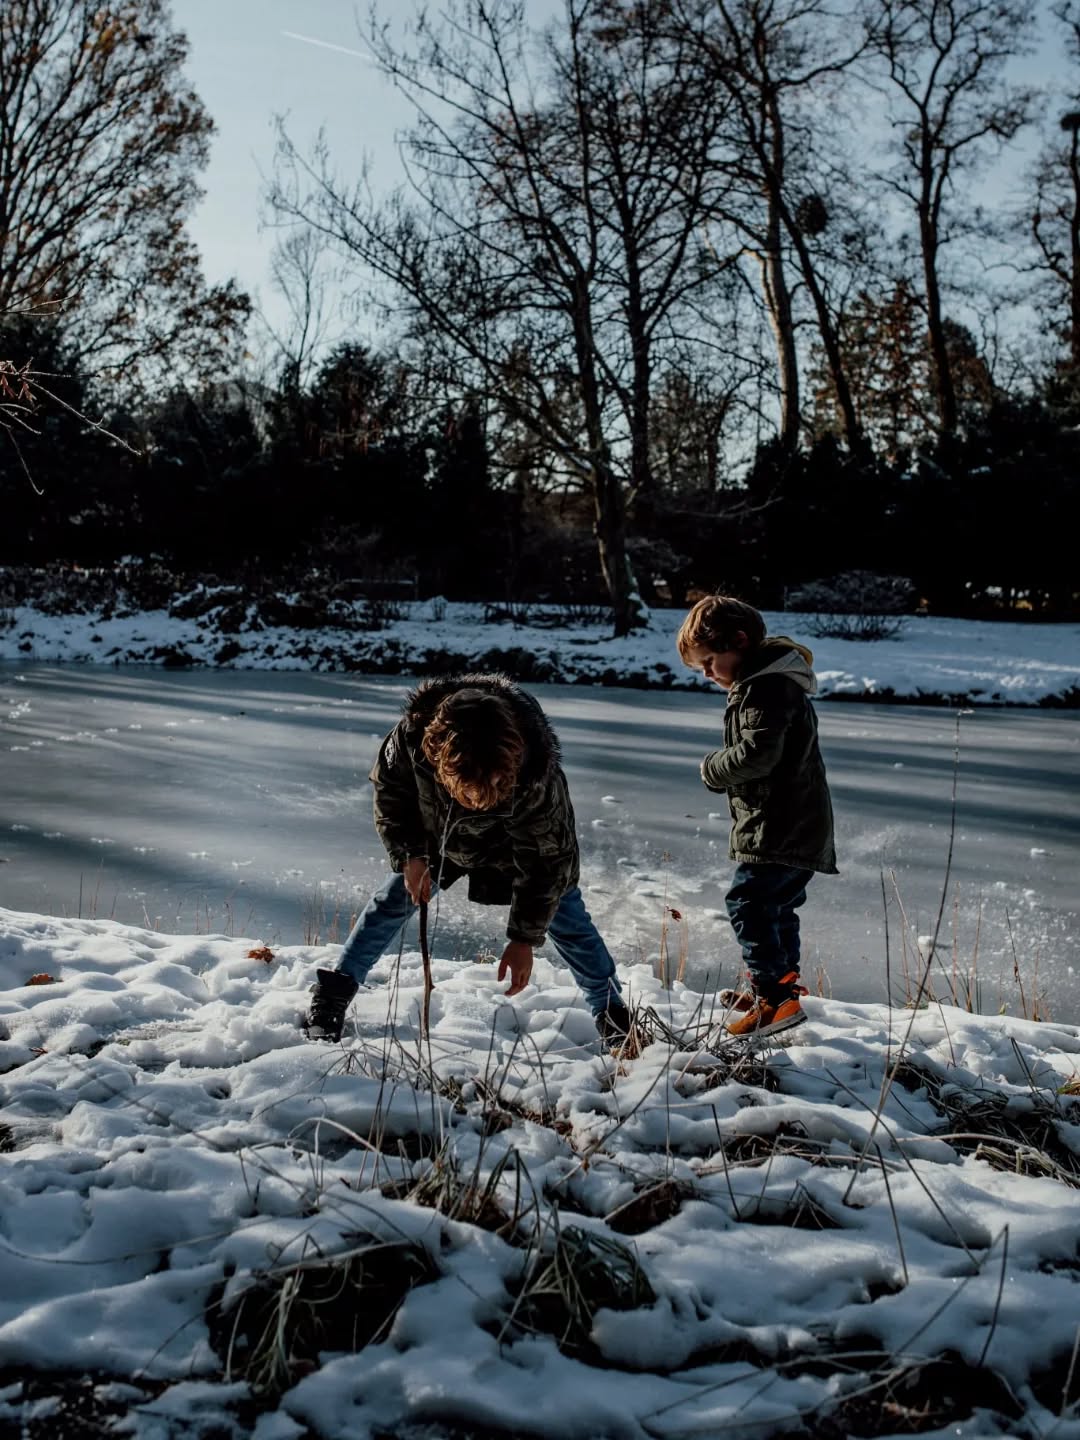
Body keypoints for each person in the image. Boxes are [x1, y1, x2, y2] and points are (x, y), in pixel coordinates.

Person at [304, 673, 630, 1047]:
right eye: (468, 792)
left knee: (567, 917)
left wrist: (523, 939)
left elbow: (546, 865)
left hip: (514, 846)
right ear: (438, 755)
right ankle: (332, 994)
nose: (478, 803)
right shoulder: (409, 740)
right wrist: (410, 855)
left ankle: (613, 1014)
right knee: (392, 902)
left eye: (490, 792)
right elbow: (391, 795)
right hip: (441, 838)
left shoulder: (537, 776)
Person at [676, 595, 837, 1037]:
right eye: (700, 668)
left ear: (740, 642)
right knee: (777, 908)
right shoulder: (764, 682)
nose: (708, 673)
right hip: (793, 822)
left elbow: (758, 754)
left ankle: (775, 1000)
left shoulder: (765, 687)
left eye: (710, 661)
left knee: (748, 902)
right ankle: (778, 988)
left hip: (780, 824)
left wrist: (713, 768)